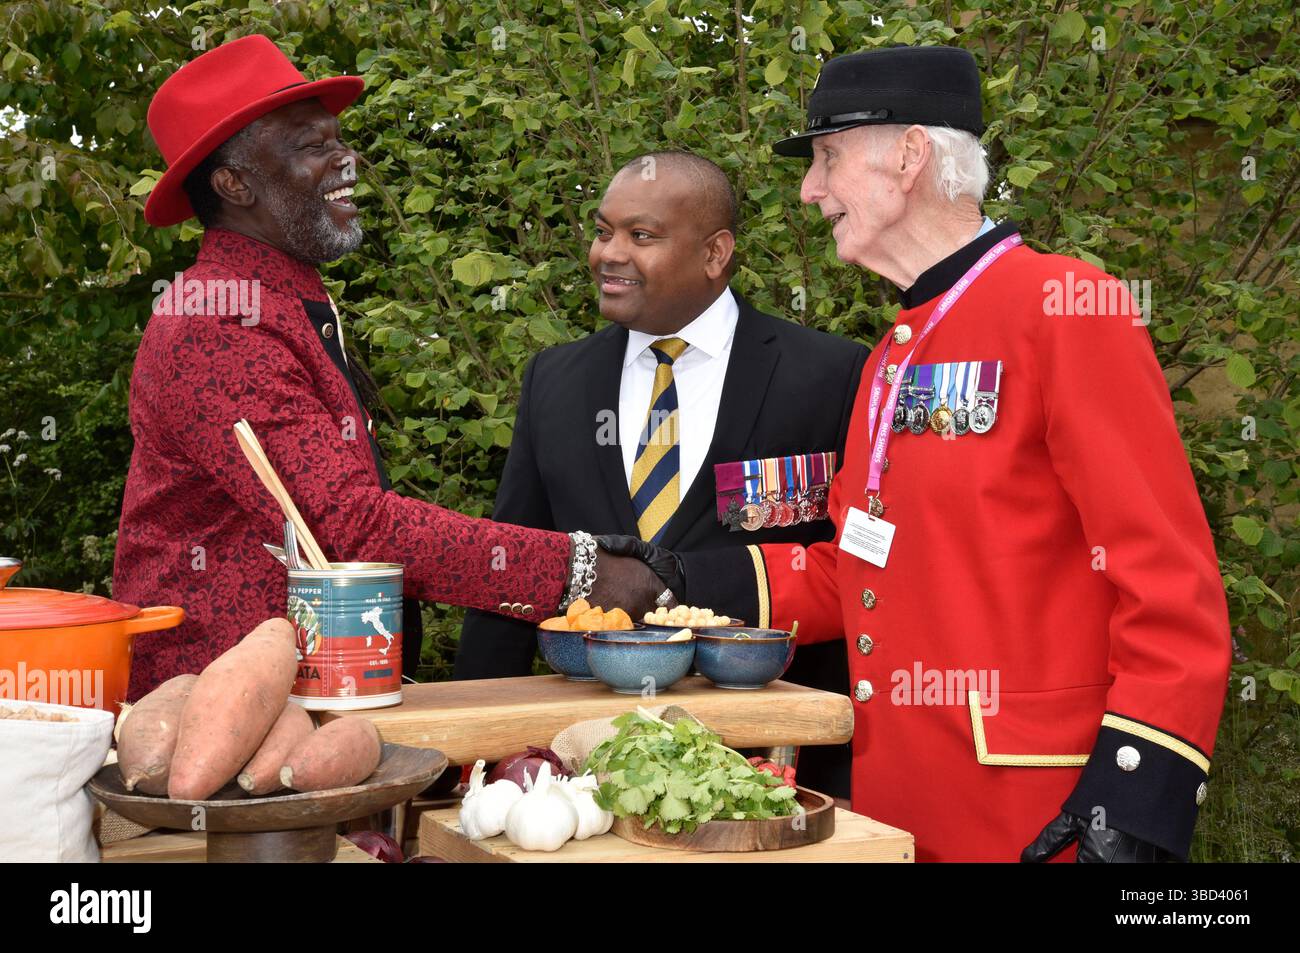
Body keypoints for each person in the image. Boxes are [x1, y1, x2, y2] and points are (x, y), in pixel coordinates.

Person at [657, 45, 1230, 861]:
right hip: (899, 806)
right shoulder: (894, 351)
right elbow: (858, 568)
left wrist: (1137, 796)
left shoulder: (1068, 308)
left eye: (825, 159)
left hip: (1040, 810)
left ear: (910, 155)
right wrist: (674, 578)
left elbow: (1170, 580)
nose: (808, 191)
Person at [114, 35, 663, 699]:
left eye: (337, 139)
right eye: (310, 145)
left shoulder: (279, 298)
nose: (346, 158)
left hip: (305, 705)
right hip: (224, 723)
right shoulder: (218, 320)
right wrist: (585, 572)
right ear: (235, 183)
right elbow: (349, 528)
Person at [455, 152, 868, 797]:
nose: (608, 255)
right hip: (583, 766)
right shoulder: (554, 382)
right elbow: (514, 560)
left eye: (640, 237)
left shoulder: (830, 374)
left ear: (714, 253)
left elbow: (856, 571)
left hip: (773, 765)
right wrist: (471, 751)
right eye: (602, 232)